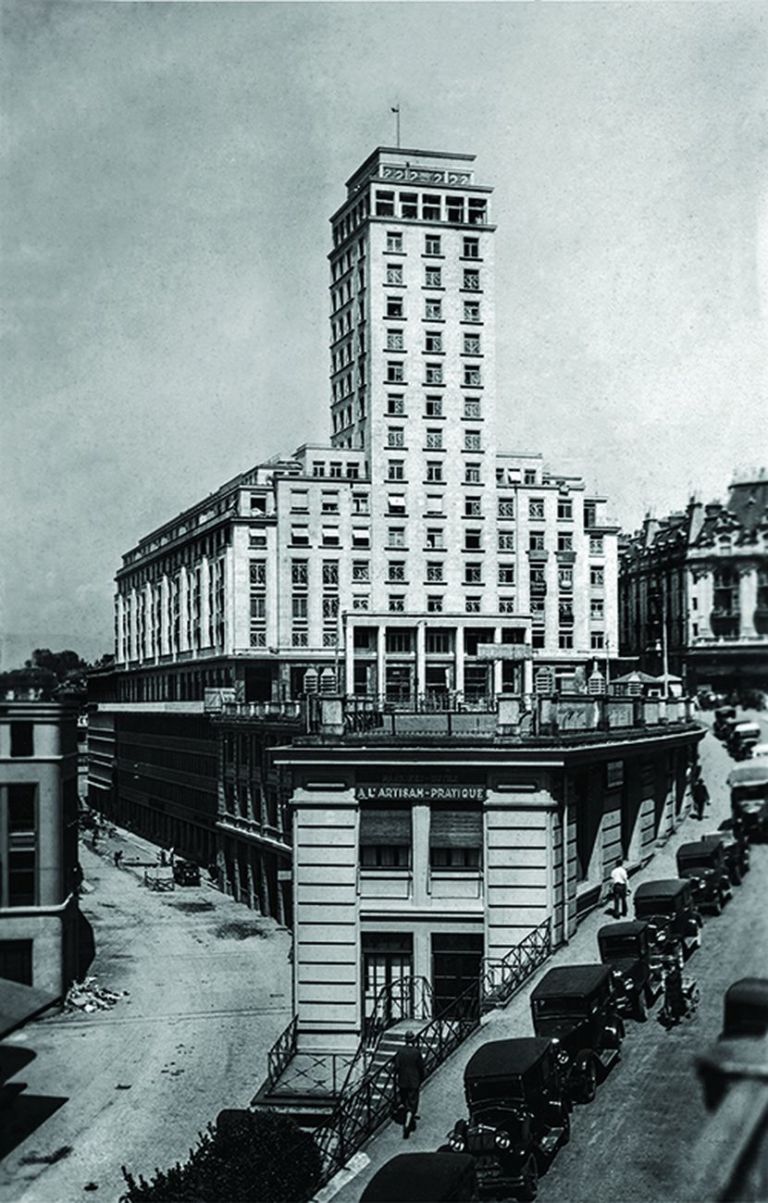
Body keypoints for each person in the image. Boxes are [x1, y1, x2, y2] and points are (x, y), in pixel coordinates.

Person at [394, 1031, 425, 1139]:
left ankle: (405, 1115)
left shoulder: (400, 1051)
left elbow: (396, 1067)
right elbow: (421, 1067)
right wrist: (421, 1078)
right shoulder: (416, 1052)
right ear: (413, 1040)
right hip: (413, 1082)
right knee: (412, 1104)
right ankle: (407, 1125)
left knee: (405, 1100)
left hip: (402, 1081)